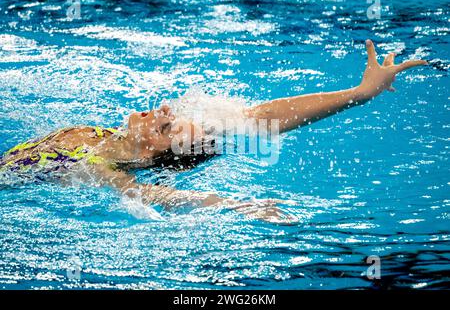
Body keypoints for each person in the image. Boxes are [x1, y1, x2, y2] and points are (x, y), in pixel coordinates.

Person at [0, 40, 427, 222]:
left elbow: (156, 196)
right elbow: (258, 117)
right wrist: (360, 91)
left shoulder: (102, 168)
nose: (163, 109)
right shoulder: (98, 135)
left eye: (166, 124)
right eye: (171, 114)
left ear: (151, 155)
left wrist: (234, 205)